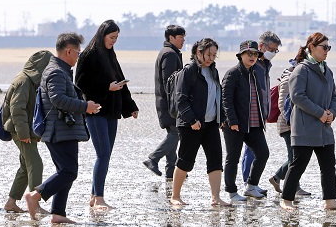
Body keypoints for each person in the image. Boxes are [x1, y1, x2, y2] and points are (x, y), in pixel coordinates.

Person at [25, 33, 101, 223]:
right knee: (68, 172)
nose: (78, 56)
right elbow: (57, 99)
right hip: (59, 131)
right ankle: (35, 196)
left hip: (62, 130)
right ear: (68, 51)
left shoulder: (61, 70)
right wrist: (85, 107)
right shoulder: (57, 72)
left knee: (65, 172)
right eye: (77, 52)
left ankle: (58, 214)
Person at [279, 32, 336, 211]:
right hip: (304, 127)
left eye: (329, 47)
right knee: (298, 165)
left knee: (328, 165)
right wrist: (320, 113)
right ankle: (286, 200)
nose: (327, 51)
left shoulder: (327, 70)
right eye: (324, 47)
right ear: (311, 47)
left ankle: (330, 200)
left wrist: (332, 113)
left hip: (324, 128)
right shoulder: (301, 70)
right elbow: (297, 96)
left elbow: (334, 96)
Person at [75, 20, 139, 210]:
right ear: (102, 35)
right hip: (96, 110)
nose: (114, 41)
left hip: (112, 111)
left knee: (106, 155)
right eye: (112, 37)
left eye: (116, 38)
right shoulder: (88, 55)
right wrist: (106, 87)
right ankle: (99, 198)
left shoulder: (111, 55)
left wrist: (130, 106)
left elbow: (120, 81)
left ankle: (94, 197)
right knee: (102, 154)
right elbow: (80, 84)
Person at [169, 38, 230, 207]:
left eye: (214, 55)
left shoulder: (213, 72)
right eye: (208, 54)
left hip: (211, 124)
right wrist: (192, 120)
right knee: (186, 160)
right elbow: (181, 99)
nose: (211, 58)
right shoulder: (188, 71)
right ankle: (175, 196)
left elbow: (218, 96)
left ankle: (215, 198)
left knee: (216, 159)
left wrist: (221, 117)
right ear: (198, 52)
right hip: (191, 124)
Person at [1, 50, 53, 213]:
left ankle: (11, 203)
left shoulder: (32, 81)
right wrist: (23, 134)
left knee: (25, 166)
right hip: (19, 130)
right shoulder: (24, 81)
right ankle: (35, 204)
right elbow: (17, 109)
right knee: (35, 163)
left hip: (25, 130)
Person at [221, 40, 270, 202]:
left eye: (255, 54)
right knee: (232, 158)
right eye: (249, 53)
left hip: (255, 124)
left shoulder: (255, 73)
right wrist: (232, 121)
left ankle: (251, 186)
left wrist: (263, 118)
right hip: (235, 125)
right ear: (241, 55)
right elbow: (226, 99)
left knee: (263, 153)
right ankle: (232, 192)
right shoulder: (232, 73)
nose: (253, 57)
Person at [239, 31, 280, 192]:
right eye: (272, 49)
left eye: (276, 51)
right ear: (262, 46)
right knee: (252, 150)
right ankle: (248, 183)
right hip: (250, 114)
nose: (273, 53)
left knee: (254, 150)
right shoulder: (253, 64)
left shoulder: (264, 65)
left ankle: (251, 182)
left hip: (260, 114)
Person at [145, 24, 186, 180]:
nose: (183, 40)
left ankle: (171, 171)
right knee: (176, 133)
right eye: (180, 37)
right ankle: (153, 159)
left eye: (184, 37)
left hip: (168, 102)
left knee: (173, 134)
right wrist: (177, 103)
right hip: (170, 104)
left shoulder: (170, 52)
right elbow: (169, 82)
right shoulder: (169, 54)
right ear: (171, 37)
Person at [267, 57, 312, 197]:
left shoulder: (299, 76)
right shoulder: (289, 77)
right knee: (295, 156)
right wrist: (291, 121)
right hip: (288, 125)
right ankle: (293, 186)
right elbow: (282, 103)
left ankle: (277, 178)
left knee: (295, 156)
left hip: (295, 124)